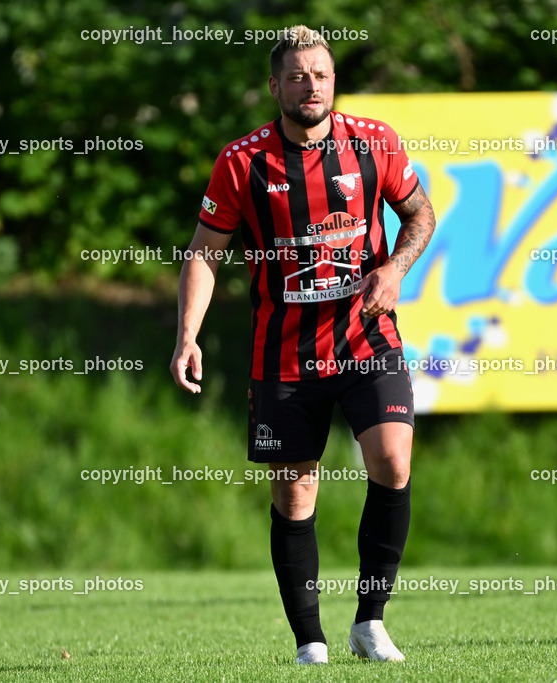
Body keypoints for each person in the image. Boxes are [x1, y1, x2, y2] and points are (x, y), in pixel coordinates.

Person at [170, 25, 435, 664]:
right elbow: (206, 253)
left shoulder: (375, 143)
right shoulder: (242, 161)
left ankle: (370, 622)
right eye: (296, 76)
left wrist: (393, 271)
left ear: (333, 80)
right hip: (284, 352)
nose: (309, 85)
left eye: (320, 74)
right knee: (295, 491)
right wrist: (187, 335)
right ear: (276, 87)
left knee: (393, 461)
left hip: (367, 339)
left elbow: (421, 213)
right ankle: (309, 641)